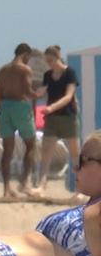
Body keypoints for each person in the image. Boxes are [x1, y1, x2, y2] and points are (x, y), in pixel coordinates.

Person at [32, 45, 80, 195]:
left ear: (58, 57)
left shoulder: (69, 73)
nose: (49, 63)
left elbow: (68, 96)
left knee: (75, 155)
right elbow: (44, 90)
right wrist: (36, 93)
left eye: (51, 60)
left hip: (68, 117)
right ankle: (41, 186)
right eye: (47, 61)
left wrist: (51, 107)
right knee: (46, 154)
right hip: (52, 119)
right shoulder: (47, 75)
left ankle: (81, 189)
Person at [0, 43, 39, 197]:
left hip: (5, 106)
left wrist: (4, 107)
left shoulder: (3, 70)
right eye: (29, 57)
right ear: (25, 54)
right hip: (20, 106)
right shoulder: (24, 69)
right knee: (31, 145)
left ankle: (6, 189)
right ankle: (24, 182)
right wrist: (38, 94)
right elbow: (28, 91)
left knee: (7, 150)